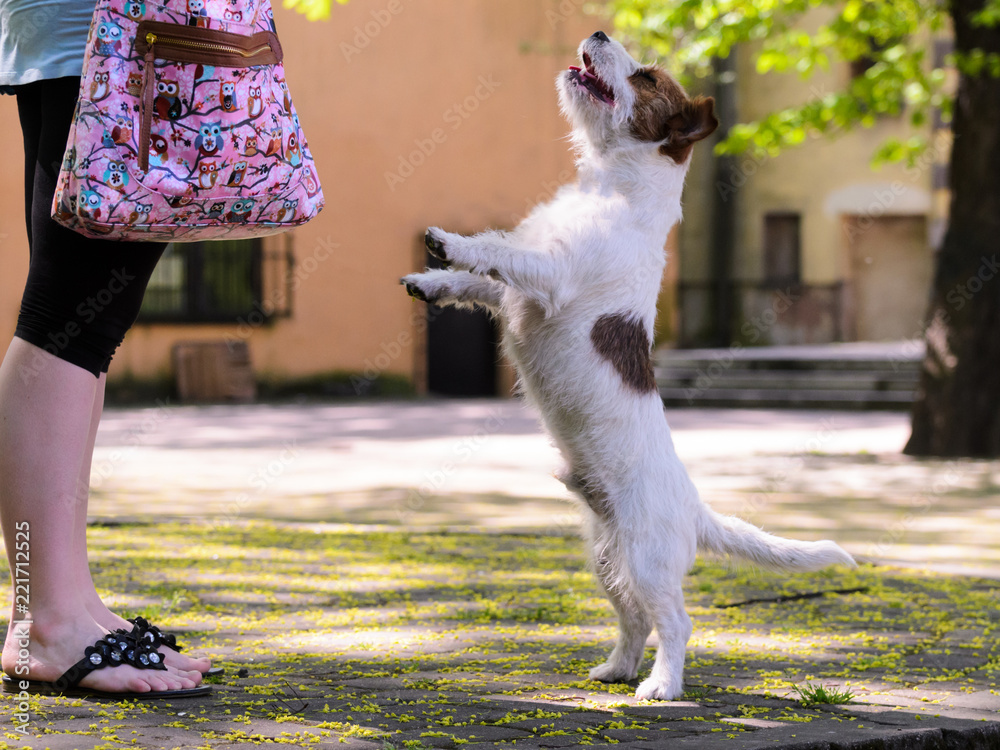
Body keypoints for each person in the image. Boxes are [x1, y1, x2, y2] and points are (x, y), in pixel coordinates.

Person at [0, 0, 212, 697]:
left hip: (90, 39)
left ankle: (66, 604)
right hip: (110, 40)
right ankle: (46, 619)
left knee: (82, 329)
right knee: (67, 325)